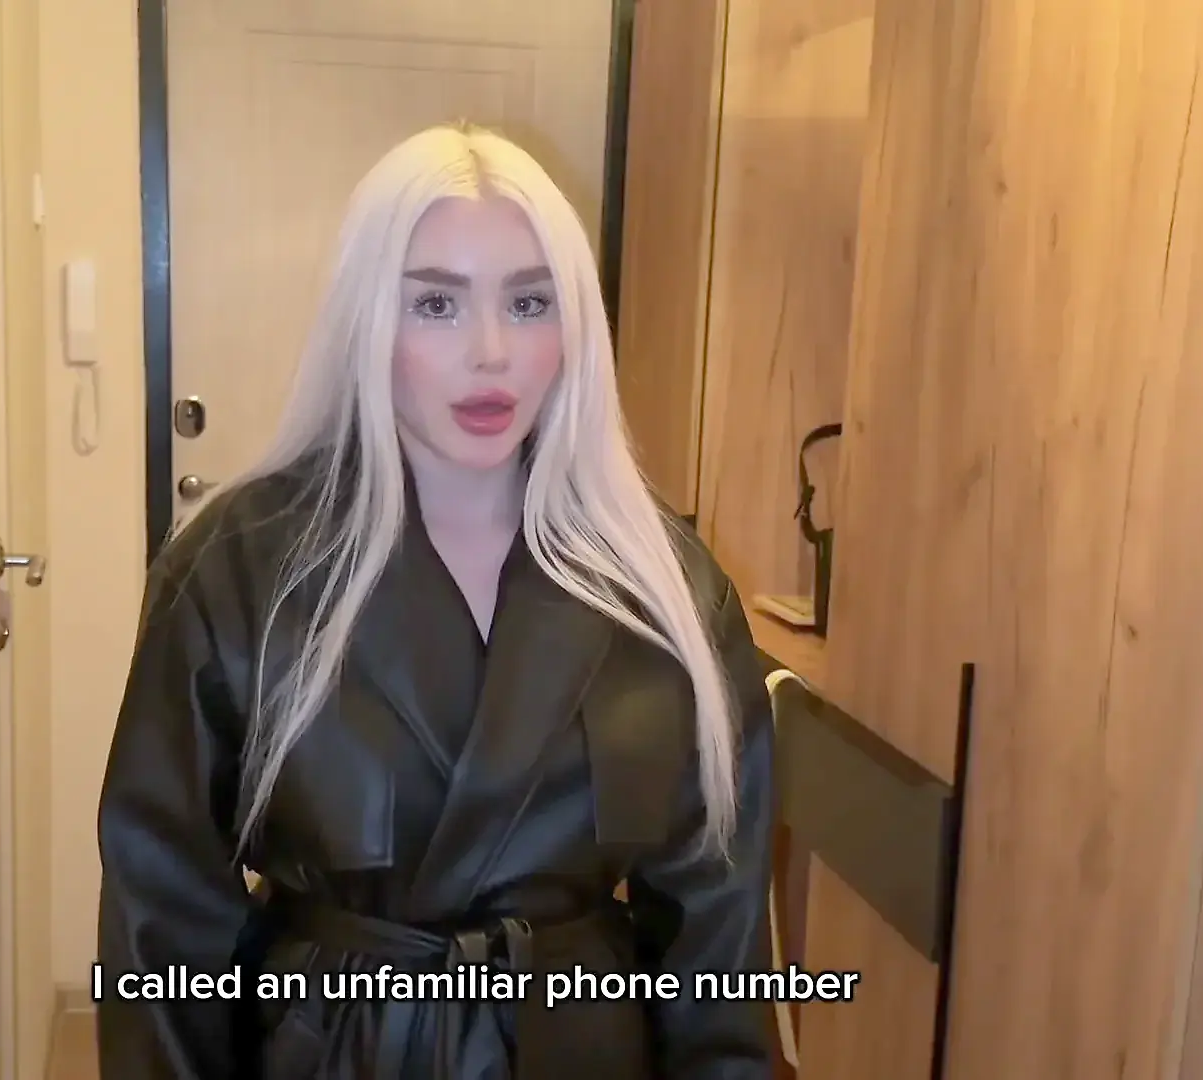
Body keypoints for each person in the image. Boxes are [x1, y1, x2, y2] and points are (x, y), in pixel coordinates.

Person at [96, 122, 776, 1079]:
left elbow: (718, 939)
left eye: (529, 302)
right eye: (437, 304)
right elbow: (161, 925)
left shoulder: (668, 587)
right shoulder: (237, 569)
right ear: (366, 321)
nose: (491, 352)